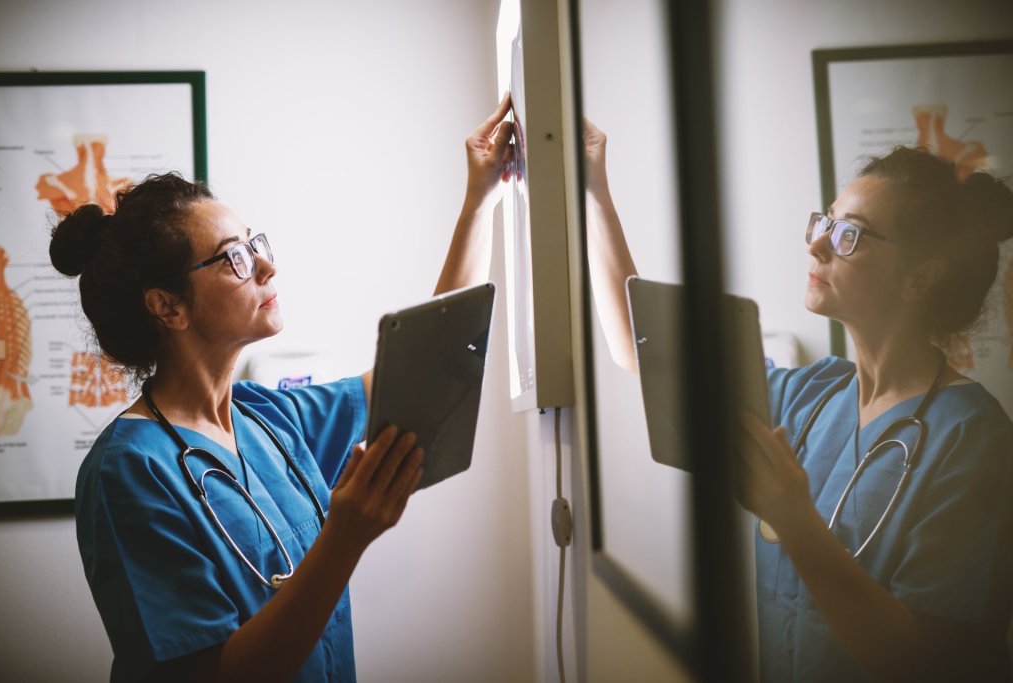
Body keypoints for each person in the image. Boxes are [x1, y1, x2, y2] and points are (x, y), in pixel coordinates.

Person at [51, 95, 513, 683]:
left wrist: (480, 199)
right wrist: (344, 539)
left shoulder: (269, 419)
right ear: (167, 306)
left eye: (255, 244)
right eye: (233, 259)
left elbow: (432, 360)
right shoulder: (128, 473)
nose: (266, 268)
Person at [582, 127, 1013, 681]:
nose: (817, 243)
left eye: (849, 234)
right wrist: (593, 183)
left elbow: (918, 661)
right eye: (825, 222)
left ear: (920, 277)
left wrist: (793, 516)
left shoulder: (973, 438)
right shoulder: (809, 396)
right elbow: (640, 351)